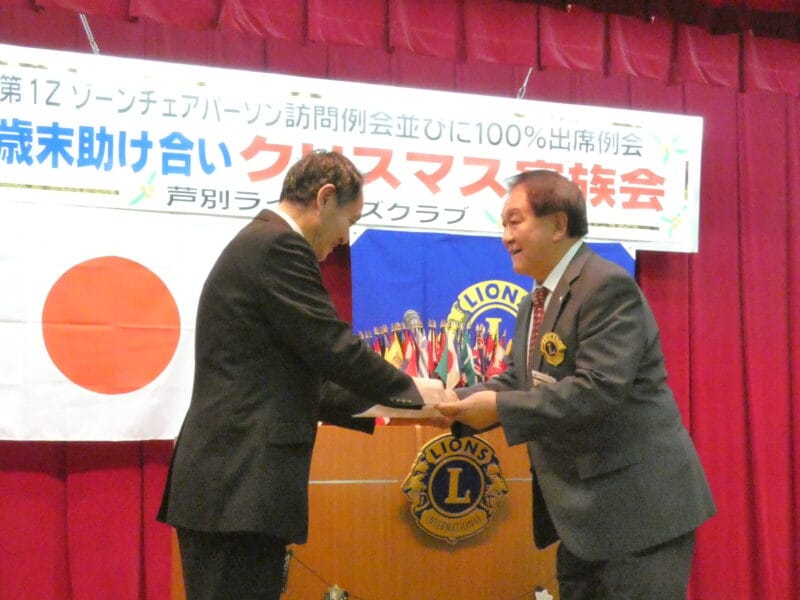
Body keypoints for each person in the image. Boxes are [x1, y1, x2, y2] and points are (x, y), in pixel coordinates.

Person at [437, 169, 715, 599]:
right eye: (503, 224)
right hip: (584, 521)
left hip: (639, 516)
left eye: (515, 221)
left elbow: (597, 390)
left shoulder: (606, 285)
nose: (505, 236)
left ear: (557, 225)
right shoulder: (533, 302)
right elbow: (517, 380)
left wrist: (498, 409)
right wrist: (446, 401)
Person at [158, 150, 423, 600]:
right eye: (349, 221)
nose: (345, 237)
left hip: (232, 489)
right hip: (235, 487)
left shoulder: (263, 241)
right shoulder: (279, 246)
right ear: (325, 198)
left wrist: (393, 403)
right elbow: (331, 344)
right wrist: (412, 390)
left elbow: (297, 378)